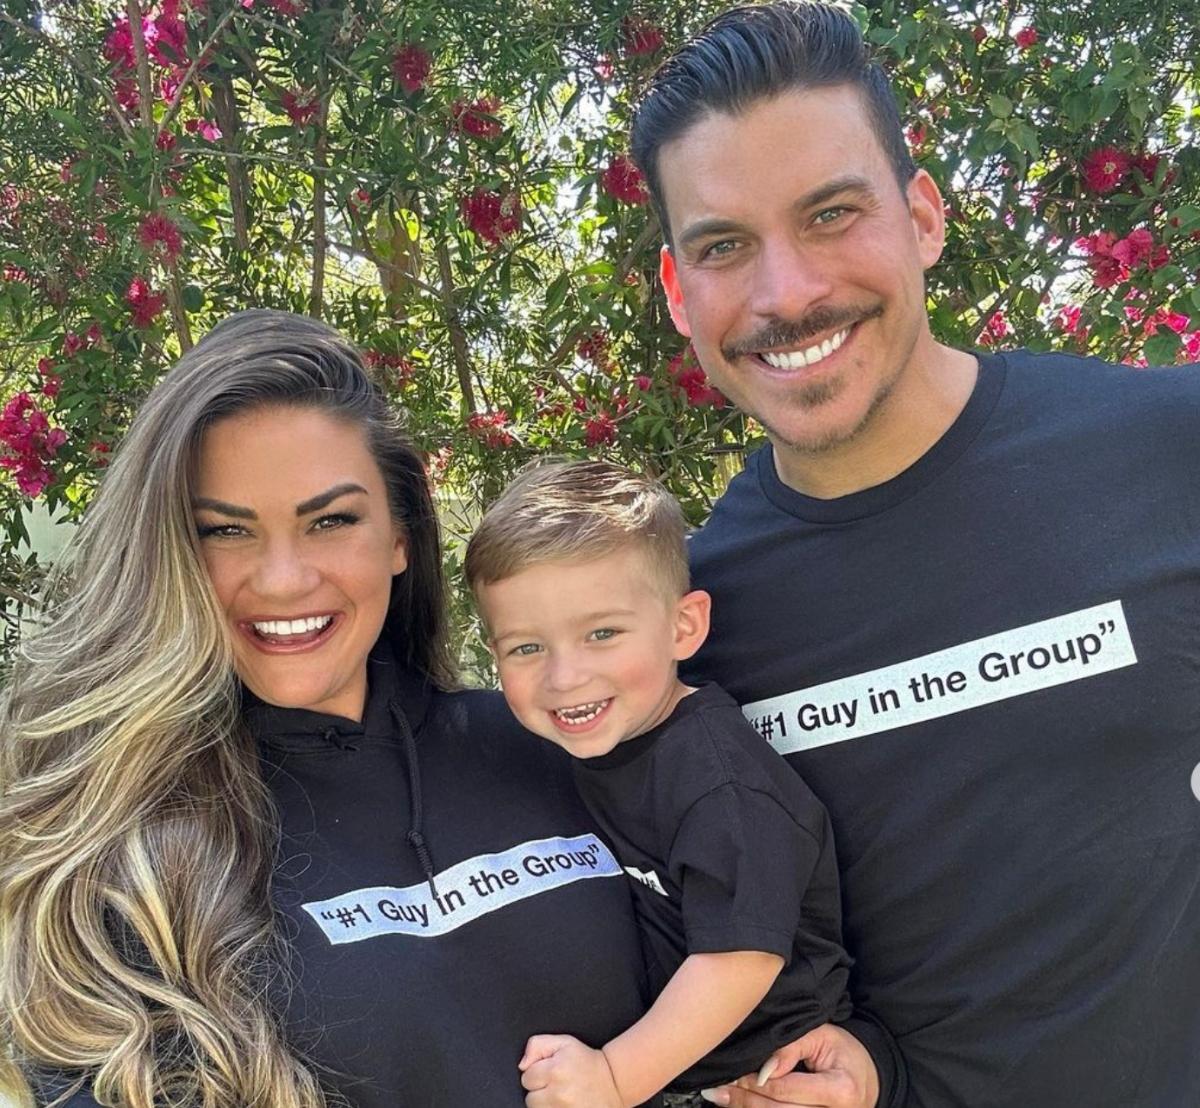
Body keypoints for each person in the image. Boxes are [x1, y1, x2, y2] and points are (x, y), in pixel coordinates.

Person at [630, 3, 1200, 1107]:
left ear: (924, 217)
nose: (786, 293)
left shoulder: (1167, 450)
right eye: (723, 246)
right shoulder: (694, 631)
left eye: (832, 214)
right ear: (677, 293)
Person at [0, 310, 657, 1108]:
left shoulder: (558, 742)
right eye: (226, 532)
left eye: (331, 520)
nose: (281, 580)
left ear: (400, 536)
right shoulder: (122, 853)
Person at [466, 460, 853, 1108]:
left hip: (772, 1077)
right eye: (526, 648)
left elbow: (741, 958)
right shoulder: (591, 747)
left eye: (602, 634)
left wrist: (617, 1077)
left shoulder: (716, 781)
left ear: (684, 627)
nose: (565, 676)